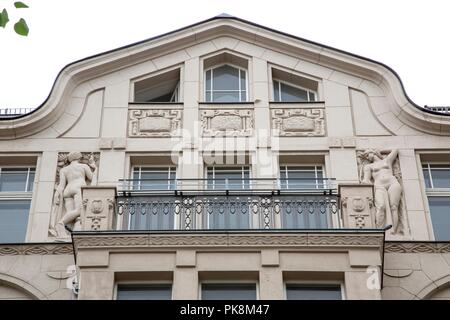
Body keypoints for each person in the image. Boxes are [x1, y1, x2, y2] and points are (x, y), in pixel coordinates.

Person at [52, 151, 96, 238]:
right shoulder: (83, 166)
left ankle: (67, 233)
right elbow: (91, 178)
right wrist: (95, 168)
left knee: (71, 213)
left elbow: (61, 185)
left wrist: (56, 194)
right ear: (78, 158)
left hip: (67, 191)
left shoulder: (64, 169)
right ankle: (61, 223)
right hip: (78, 188)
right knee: (79, 211)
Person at [361, 149, 403, 234]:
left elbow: (395, 150)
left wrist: (379, 151)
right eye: (365, 156)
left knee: (394, 207)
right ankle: (379, 230)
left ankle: (393, 232)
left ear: (372, 153)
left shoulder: (387, 160)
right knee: (381, 206)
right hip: (379, 186)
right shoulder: (369, 166)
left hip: (392, 183)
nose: (367, 157)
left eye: (367, 154)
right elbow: (366, 179)